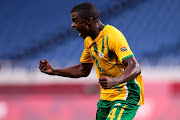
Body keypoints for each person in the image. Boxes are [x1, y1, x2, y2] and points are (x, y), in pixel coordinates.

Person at [39, 2, 144, 120]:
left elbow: (135, 67)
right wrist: (54, 71)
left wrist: (114, 81)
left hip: (127, 95)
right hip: (107, 97)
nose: (72, 25)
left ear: (89, 21)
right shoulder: (89, 41)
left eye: (75, 21)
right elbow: (83, 70)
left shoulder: (112, 36)